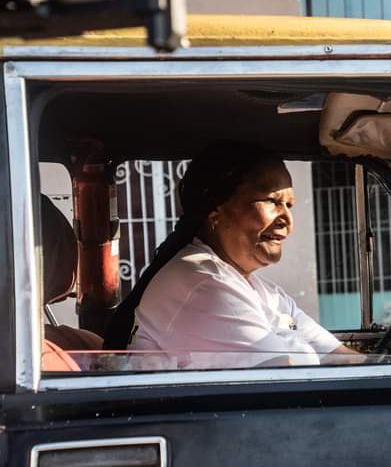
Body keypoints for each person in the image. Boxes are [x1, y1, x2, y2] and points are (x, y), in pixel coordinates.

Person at [103, 144, 359, 368]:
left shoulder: (265, 293)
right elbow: (291, 379)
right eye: (272, 201)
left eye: (289, 205)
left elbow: (341, 358)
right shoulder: (201, 284)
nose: (287, 220)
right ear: (217, 214)